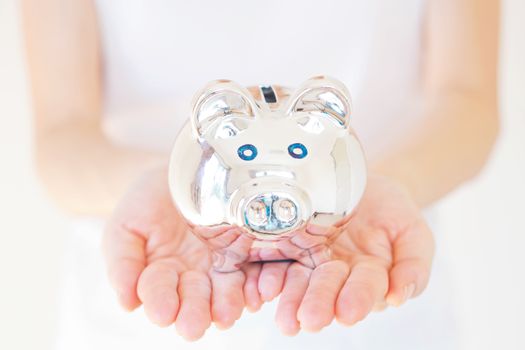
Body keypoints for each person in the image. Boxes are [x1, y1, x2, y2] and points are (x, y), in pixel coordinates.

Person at [21, 0, 499, 349]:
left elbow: (467, 100)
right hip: (139, 310)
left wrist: (382, 185)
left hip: (380, 297)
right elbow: (62, 135)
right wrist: (173, 188)